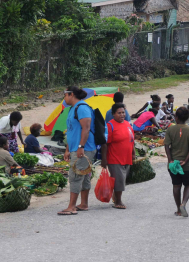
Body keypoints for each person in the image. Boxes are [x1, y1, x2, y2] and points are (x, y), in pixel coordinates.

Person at [58, 86, 96, 216]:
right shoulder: (72, 109)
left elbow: (86, 128)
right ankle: (83, 204)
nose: (64, 97)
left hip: (85, 148)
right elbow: (71, 130)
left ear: (71, 94)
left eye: (65, 95)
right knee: (84, 175)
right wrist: (68, 149)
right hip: (76, 147)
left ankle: (72, 206)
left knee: (75, 176)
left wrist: (81, 146)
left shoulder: (82, 108)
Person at [164, 107, 189, 218]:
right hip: (187, 165)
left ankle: (178, 209)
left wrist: (170, 159)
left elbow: (166, 146)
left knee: (176, 185)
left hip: (173, 164)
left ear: (176, 117)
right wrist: (186, 160)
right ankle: (183, 204)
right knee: (188, 185)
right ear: (187, 117)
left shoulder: (170, 129)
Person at [101, 103, 135, 210]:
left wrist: (133, 152)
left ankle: (116, 197)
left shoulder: (127, 124)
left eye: (123, 112)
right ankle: (118, 201)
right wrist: (104, 159)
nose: (122, 115)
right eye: (119, 113)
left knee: (122, 179)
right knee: (118, 179)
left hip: (126, 156)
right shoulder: (110, 125)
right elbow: (105, 143)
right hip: (114, 157)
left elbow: (131, 139)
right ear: (113, 114)